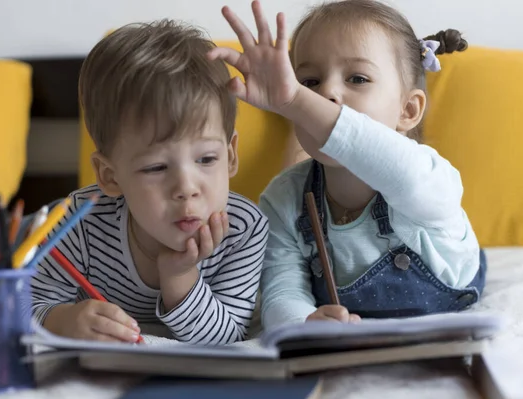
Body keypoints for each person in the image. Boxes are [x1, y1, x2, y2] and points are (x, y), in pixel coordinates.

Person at [208, 0, 485, 330]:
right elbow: (281, 290)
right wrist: (303, 321)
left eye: (357, 78)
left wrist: (296, 100)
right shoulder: (283, 198)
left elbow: (379, 155)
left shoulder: (428, 175)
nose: (327, 92)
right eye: (309, 82)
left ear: (408, 110)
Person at [31, 19, 268, 344]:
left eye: (206, 159)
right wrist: (61, 320)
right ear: (110, 176)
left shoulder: (244, 229)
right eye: (156, 167)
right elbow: (18, 305)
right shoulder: (78, 223)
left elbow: (227, 339)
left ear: (230, 157)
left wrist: (179, 276)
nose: (187, 187)